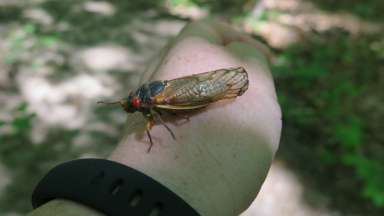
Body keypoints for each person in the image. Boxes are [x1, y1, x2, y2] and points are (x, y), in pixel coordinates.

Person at [28, 19, 282, 216]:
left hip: (181, 94)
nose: (133, 104)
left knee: (201, 94)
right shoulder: (142, 102)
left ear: (144, 102)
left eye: (136, 102)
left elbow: (156, 114)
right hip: (174, 89)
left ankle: (222, 86)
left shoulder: (154, 104)